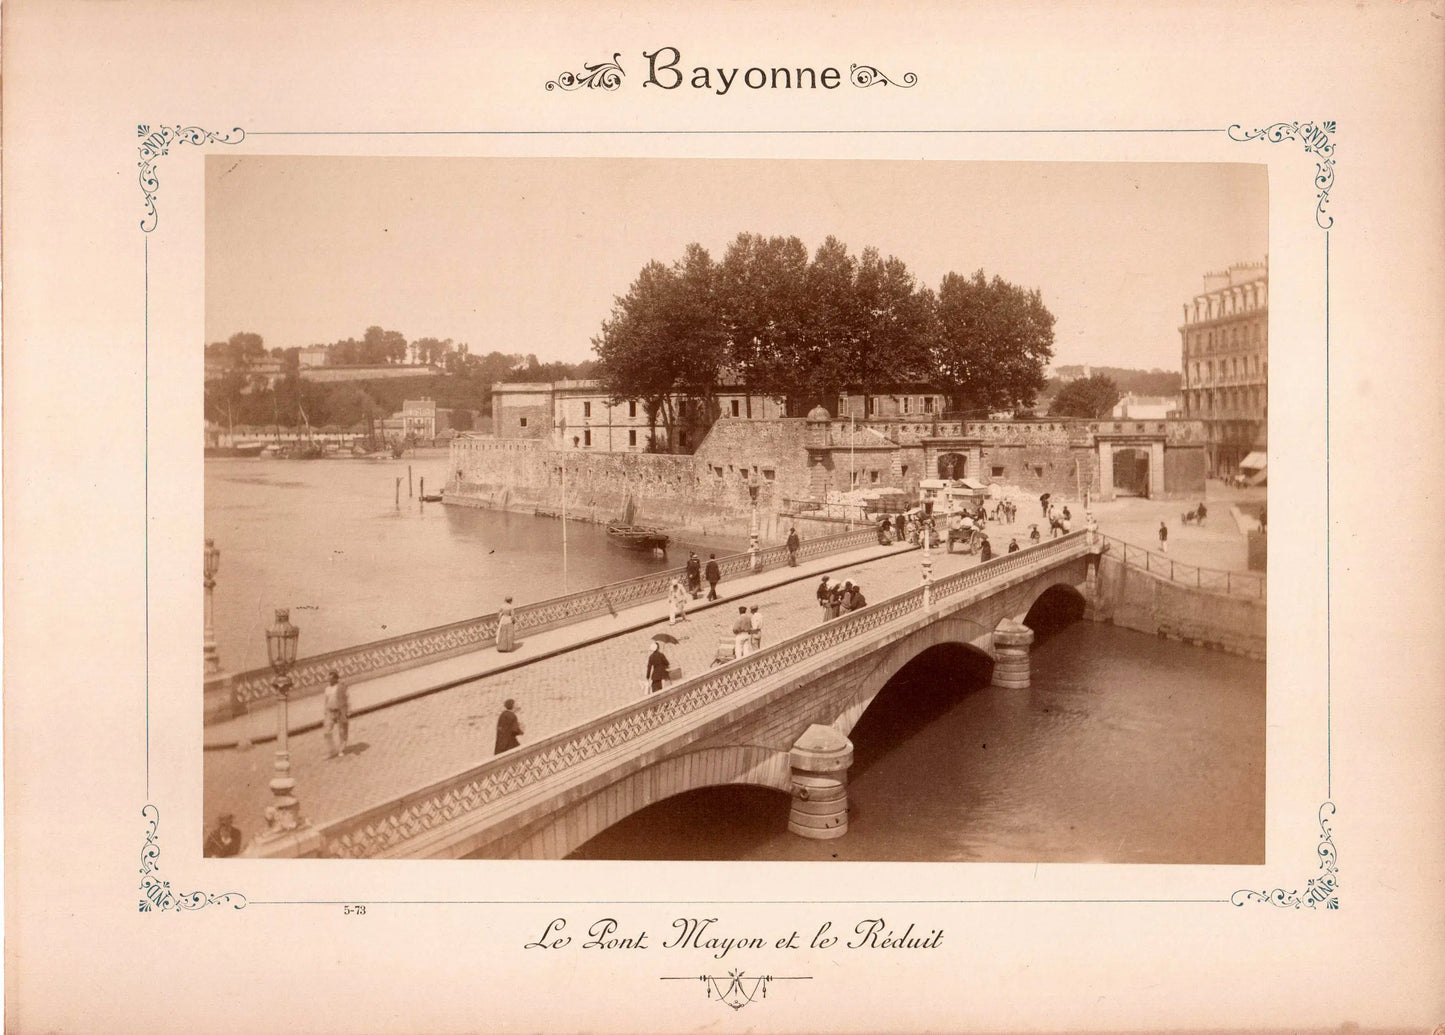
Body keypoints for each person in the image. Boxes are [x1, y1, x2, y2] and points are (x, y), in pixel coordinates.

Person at [323, 670, 350, 759]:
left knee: (342, 731)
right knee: (327, 732)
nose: (329, 680)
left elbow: (347, 698)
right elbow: (326, 701)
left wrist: (348, 711)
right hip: (330, 711)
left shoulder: (341, 687)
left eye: (331, 678)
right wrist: (325, 711)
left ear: (335, 678)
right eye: (328, 678)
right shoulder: (327, 689)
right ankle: (331, 751)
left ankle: (341, 749)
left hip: (340, 711)